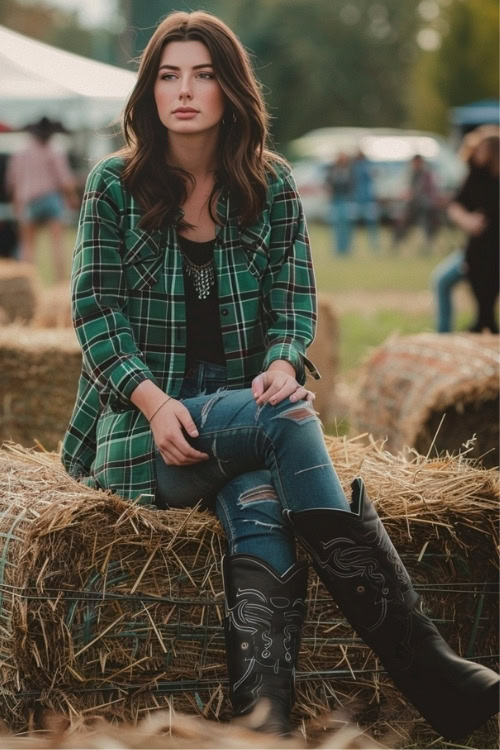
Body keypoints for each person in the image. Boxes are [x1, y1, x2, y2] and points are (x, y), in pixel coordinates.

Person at [61, 10, 499, 740]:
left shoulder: (271, 185)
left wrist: (278, 361)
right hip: (143, 429)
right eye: (169, 75)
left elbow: (294, 305)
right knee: (288, 421)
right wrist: (155, 402)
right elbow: (94, 313)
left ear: (230, 89)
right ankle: (424, 664)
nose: (185, 90)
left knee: (264, 506)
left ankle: (262, 726)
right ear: (150, 91)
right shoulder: (114, 184)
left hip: (243, 422)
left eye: (203, 74)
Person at [5, 116, 79, 280]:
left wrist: (17, 201)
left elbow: (13, 180)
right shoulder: (54, 150)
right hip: (51, 198)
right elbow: (64, 179)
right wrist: (72, 197)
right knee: (57, 243)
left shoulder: (21, 151)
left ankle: (28, 282)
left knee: (28, 246)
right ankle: (60, 282)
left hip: (29, 199)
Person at [447, 132, 499, 333]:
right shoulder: (475, 174)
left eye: (483, 149)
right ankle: (484, 323)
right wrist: (467, 220)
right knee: (450, 281)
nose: (478, 152)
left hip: (494, 245)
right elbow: (456, 204)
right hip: (478, 246)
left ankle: (484, 323)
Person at [393, 154, 439, 253]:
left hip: (423, 206)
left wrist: (410, 195)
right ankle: (396, 244)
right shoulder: (413, 173)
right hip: (414, 206)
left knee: (425, 223)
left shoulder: (425, 174)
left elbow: (421, 191)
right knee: (401, 220)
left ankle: (428, 245)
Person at [324, 151, 354, 256]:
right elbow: (328, 182)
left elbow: (352, 184)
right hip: (336, 199)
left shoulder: (349, 170)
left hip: (346, 199)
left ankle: (347, 249)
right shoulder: (333, 169)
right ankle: (338, 249)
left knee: (346, 225)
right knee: (337, 225)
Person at [351, 149, 379, 251]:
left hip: (366, 199)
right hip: (359, 198)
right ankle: (353, 247)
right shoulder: (358, 166)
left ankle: (374, 246)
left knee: (371, 224)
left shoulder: (363, 166)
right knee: (355, 224)